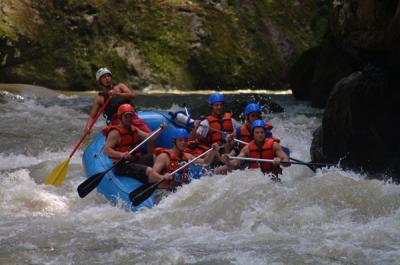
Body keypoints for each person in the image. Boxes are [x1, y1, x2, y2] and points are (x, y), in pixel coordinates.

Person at [103, 104, 171, 183]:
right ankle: (160, 178)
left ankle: (156, 176)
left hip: (133, 160)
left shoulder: (133, 129)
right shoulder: (115, 132)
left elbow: (149, 138)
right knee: (148, 170)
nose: (129, 119)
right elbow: (106, 150)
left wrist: (160, 130)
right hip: (122, 165)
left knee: (155, 156)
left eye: (130, 116)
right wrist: (121, 155)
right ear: (120, 117)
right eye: (126, 116)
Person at [85, 67, 150, 133]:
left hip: (131, 117)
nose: (107, 78)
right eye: (104, 77)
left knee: (148, 134)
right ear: (100, 81)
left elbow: (132, 96)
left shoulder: (120, 87)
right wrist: (88, 127)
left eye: (108, 76)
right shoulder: (100, 98)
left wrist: (118, 94)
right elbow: (92, 117)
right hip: (117, 121)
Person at [153, 128, 219, 189]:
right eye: (180, 140)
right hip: (164, 191)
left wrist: (213, 151)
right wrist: (162, 177)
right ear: (174, 142)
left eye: (185, 140)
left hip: (180, 191)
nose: (183, 142)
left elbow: (205, 162)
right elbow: (151, 176)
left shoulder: (187, 156)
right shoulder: (164, 157)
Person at [223, 119, 289, 176]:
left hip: (273, 178)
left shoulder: (274, 145)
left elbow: (287, 161)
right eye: (257, 133)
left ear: (265, 133)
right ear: (253, 134)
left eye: (262, 132)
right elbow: (235, 163)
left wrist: (280, 161)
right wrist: (227, 161)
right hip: (256, 180)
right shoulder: (247, 148)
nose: (260, 135)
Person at [187, 93, 235, 158]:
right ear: (211, 106)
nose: (219, 107)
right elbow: (191, 139)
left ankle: (227, 160)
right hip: (214, 151)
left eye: (221, 105)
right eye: (216, 105)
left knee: (231, 142)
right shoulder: (205, 123)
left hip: (229, 151)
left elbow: (238, 134)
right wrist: (195, 127)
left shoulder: (231, 120)